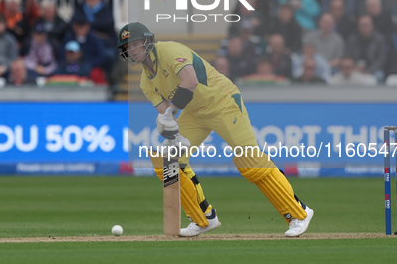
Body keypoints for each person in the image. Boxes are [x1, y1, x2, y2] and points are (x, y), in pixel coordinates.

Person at [117, 22, 314, 237]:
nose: (133, 50)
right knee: (169, 161)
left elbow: (190, 81)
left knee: (249, 161)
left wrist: (169, 112)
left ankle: (299, 213)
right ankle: (203, 218)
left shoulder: (170, 50)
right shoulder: (146, 82)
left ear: (148, 41)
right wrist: (169, 127)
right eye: (128, 47)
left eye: (135, 43)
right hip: (195, 113)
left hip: (222, 102)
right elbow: (167, 114)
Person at [345, 16, 387, 82]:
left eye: (366, 25)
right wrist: (354, 67)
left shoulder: (379, 39)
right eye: (362, 25)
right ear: (358, 27)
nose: (365, 28)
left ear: (372, 26)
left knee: (379, 75)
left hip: (374, 69)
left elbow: (381, 59)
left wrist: (369, 70)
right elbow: (348, 56)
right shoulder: (352, 40)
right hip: (355, 69)